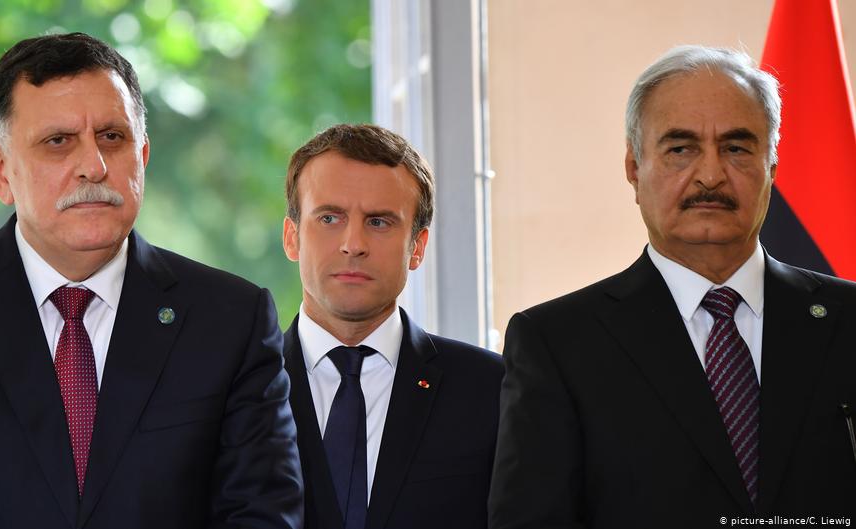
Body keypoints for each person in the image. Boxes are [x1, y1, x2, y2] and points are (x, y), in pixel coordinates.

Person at [0, 32, 302, 528]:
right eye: (58, 142)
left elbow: (263, 515)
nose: (93, 166)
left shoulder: (231, 320)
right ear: (0, 172)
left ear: (142, 156)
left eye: (112, 138)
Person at [489, 45, 856, 528]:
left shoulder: (847, 320)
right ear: (634, 169)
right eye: (680, 148)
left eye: (737, 148)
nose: (709, 175)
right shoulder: (557, 343)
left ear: (772, 167)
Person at [280, 124, 503, 529]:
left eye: (379, 222)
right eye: (329, 217)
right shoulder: (235, 387)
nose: (353, 243)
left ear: (417, 246)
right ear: (292, 237)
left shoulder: (493, 389)